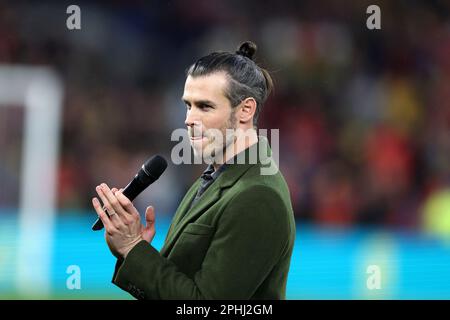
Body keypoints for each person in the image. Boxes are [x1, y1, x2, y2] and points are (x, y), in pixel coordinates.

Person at [92, 41, 296, 299]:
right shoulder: (218, 177)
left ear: (246, 110)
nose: (188, 119)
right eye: (188, 105)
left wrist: (133, 249)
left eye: (205, 106)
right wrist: (136, 252)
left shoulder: (257, 197)